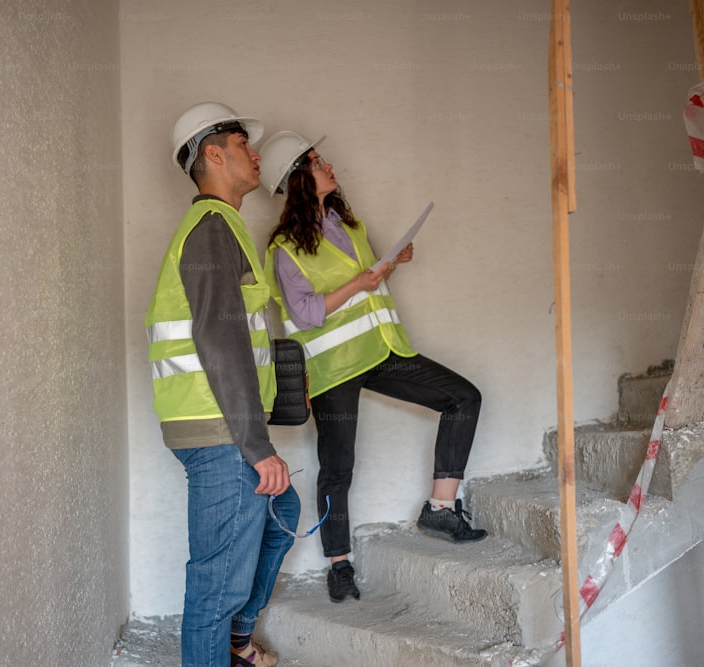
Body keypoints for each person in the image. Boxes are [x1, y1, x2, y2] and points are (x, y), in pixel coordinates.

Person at [257, 130, 486, 604]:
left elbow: (368, 287)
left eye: (323, 158)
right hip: (334, 369)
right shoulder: (283, 247)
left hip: (383, 352)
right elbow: (306, 313)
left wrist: (390, 266)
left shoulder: (349, 225)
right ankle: (338, 564)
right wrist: (362, 281)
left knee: (463, 397)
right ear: (298, 178)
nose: (329, 165)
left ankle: (441, 508)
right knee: (337, 468)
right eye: (317, 162)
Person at [146, 102, 301, 667]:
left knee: (283, 510)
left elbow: (246, 337)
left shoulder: (223, 226)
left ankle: (236, 643)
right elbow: (221, 341)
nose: (256, 154)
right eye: (244, 144)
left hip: (219, 426)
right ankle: (228, 642)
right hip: (217, 434)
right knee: (214, 587)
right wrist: (256, 447)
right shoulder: (211, 229)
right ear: (214, 154)